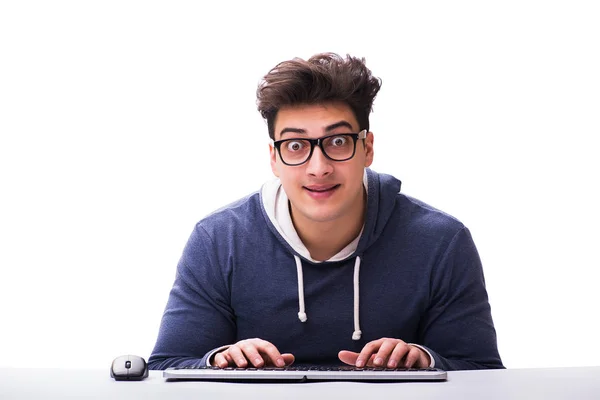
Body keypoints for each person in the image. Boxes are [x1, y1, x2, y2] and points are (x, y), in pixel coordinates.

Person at [147, 52, 504, 371]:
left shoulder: (440, 241)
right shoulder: (219, 240)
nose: (318, 167)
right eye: (296, 145)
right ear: (274, 158)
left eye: (337, 141)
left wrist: (424, 360)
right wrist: (219, 360)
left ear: (367, 148)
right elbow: (167, 367)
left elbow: (482, 372)